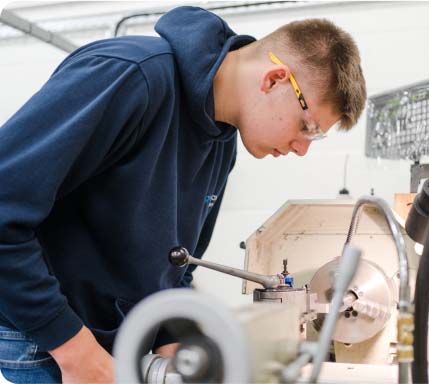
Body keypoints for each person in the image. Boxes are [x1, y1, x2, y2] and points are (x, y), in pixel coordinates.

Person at [0, 5, 366, 383]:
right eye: (307, 126)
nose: (301, 147)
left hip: (103, 344)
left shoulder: (220, 141)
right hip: (41, 341)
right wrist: (75, 351)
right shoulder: (131, 77)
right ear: (274, 79)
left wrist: (174, 339)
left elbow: (177, 264)